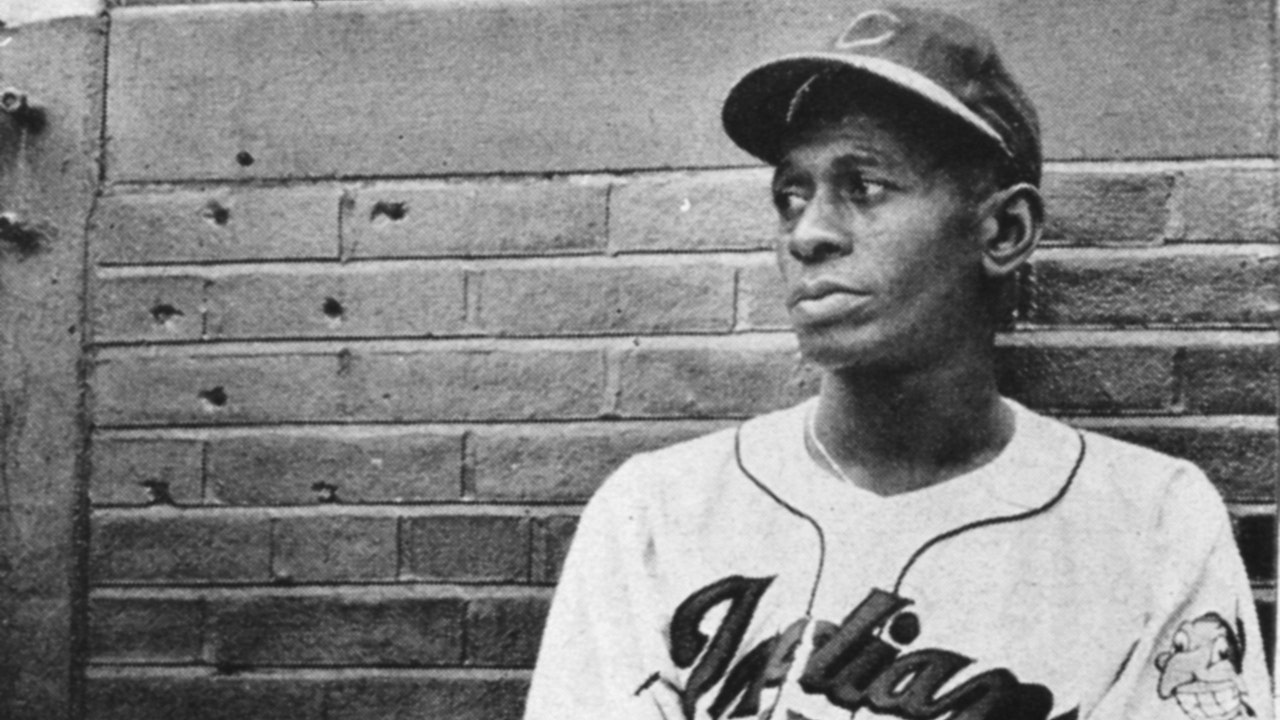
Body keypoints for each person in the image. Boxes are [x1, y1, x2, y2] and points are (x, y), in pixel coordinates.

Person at [523, 5, 1273, 719]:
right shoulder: (656, 511)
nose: (808, 233)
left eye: (865, 187)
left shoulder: (1151, 521)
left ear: (1004, 230)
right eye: (791, 194)